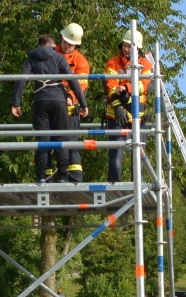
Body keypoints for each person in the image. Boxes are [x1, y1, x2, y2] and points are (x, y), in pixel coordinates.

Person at [11, 35, 87, 185]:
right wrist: (83, 103)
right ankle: (63, 178)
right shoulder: (59, 58)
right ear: (53, 46)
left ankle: (40, 178)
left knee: (42, 140)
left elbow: (22, 80)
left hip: (40, 101)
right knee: (61, 139)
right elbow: (73, 80)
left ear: (39, 47)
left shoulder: (32, 58)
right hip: (59, 101)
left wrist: (16, 103)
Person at [102, 28, 153, 182]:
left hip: (138, 117)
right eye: (124, 45)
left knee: (138, 157)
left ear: (138, 48)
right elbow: (111, 85)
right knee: (115, 157)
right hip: (116, 116)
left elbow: (146, 85)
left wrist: (126, 89)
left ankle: (138, 188)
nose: (126, 48)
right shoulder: (113, 62)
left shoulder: (146, 64)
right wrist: (118, 106)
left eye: (130, 46)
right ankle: (113, 187)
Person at [54, 23, 90, 183]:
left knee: (71, 144)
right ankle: (49, 179)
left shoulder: (80, 61)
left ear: (77, 45)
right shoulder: (51, 53)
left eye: (71, 44)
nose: (67, 45)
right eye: (65, 41)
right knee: (48, 144)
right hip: (52, 109)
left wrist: (69, 94)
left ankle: (75, 179)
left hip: (70, 112)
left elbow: (81, 84)